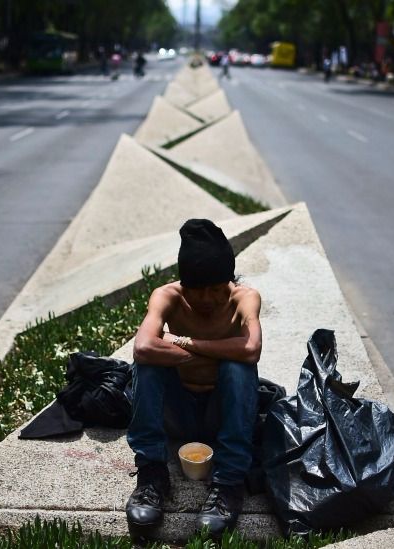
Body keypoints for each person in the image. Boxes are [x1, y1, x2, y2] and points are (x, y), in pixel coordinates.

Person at [125, 219, 261, 541]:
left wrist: (184, 342)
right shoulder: (167, 296)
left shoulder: (244, 298)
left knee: (239, 369)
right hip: (179, 411)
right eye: (198, 290)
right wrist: (217, 352)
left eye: (216, 288)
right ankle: (152, 476)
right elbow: (144, 346)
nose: (208, 298)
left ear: (228, 281)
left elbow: (252, 348)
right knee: (147, 365)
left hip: (219, 413)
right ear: (184, 284)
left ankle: (228, 485)